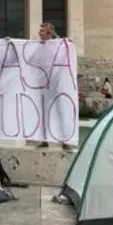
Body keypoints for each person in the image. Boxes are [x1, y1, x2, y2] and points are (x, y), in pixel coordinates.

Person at [35, 22, 71, 150]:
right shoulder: (38, 46)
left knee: (59, 112)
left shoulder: (58, 46)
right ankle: (44, 140)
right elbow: (30, 58)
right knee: (43, 113)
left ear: (49, 33)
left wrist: (68, 44)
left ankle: (65, 140)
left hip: (56, 84)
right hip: (43, 85)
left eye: (42, 31)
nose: (40, 33)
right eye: (40, 31)